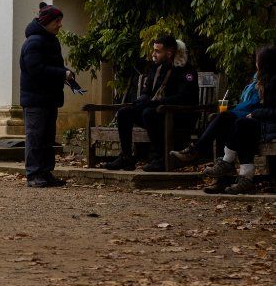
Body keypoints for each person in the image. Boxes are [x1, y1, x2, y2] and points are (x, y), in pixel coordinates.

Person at [189, 46, 276, 194]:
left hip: (269, 125)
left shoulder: (273, 82)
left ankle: (219, 161)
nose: (255, 64)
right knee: (232, 122)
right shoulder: (261, 80)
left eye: (257, 61)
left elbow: (272, 110)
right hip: (261, 123)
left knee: (236, 122)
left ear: (263, 63)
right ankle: (232, 177)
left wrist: (255, 113)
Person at [107, 36, 192, 171]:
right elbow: (147, 92)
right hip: (156, 112)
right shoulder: (157, 68)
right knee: (125, 113)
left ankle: (160, 159)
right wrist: (141, 101)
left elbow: (184, 97)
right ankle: (126, 158)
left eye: (158, 51)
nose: (153, 54)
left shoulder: (184, 70)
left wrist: (156, 102)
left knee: (149, 113)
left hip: (177, 116)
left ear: (169, 53)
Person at [19, 4, 75, 187]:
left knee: (47, 138)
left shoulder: (49, 40)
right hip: (36, 99)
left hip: (47, 97)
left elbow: (48, 66)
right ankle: (34, 174)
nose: (60, 25)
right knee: (36, 137)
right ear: (47, 22)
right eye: (57, 21)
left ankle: (45, 172)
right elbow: (35, 69)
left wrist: (64, 72)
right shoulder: (35, 41)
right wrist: (61, 73)